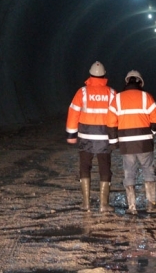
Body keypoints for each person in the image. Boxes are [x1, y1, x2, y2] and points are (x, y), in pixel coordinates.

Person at [107, 70, 156, 215]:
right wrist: (152, 132)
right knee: (148, 171)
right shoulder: (146, 97)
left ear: (127, 82)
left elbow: (111, 122)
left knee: (129, 173)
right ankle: (151, 204)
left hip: (126, 144)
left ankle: (132, 207)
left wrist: (114, 142)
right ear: (140, 82)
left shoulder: (117, 98)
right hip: (144, 142)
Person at [66, 61, 116, 213]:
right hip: (104, 136)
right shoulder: (112, 93)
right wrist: (116, 136)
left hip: (85, 136)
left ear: (90, 74)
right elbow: (116, 115)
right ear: (104, 75)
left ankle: (86, 204)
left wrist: (71, 134)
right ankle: (103, 204)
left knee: (84, 166)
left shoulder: (82, 92)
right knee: (105, 167)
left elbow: (74, 112)